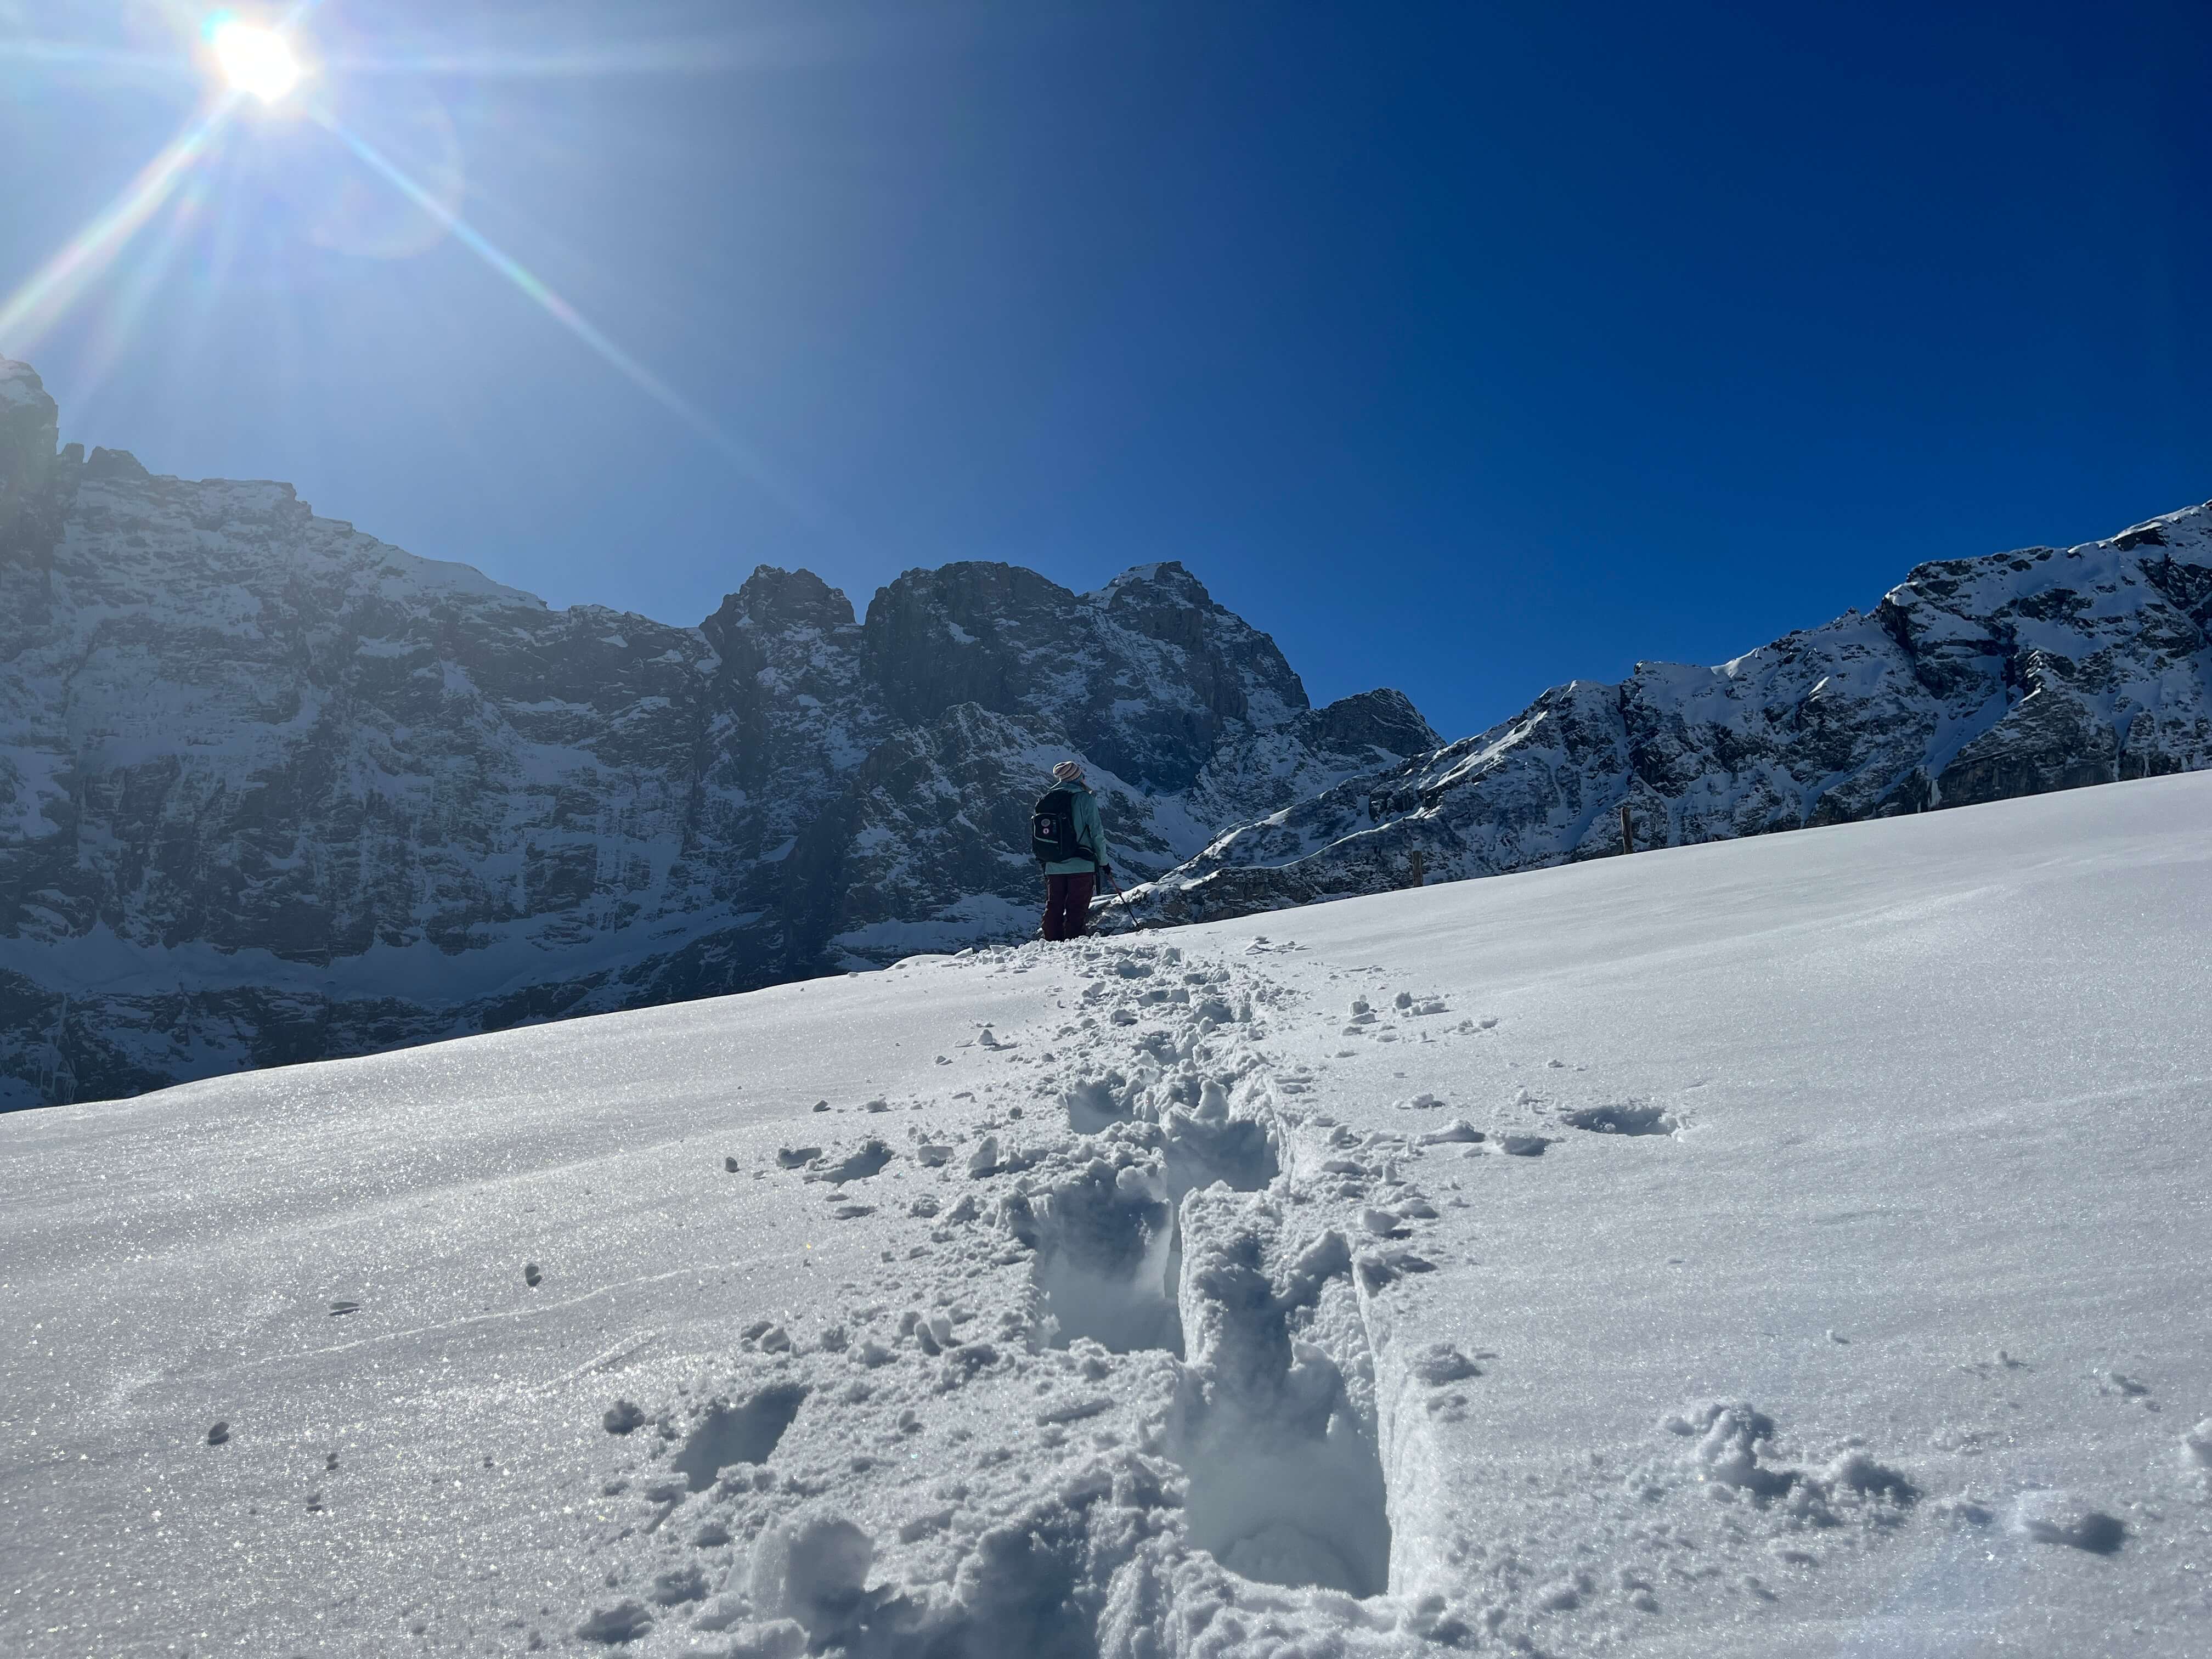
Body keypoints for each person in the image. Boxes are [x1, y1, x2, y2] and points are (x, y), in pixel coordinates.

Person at [1031, 760, 1110, 941]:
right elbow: (1097, 833)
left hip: (1053, 865)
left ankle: (1052, 944)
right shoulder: (1084, 798)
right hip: (1081, 864)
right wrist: (1104, 862)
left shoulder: (1046, 799)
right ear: (1077, 777)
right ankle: (1073, 947)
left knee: (1054, 907)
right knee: (1077, 909)